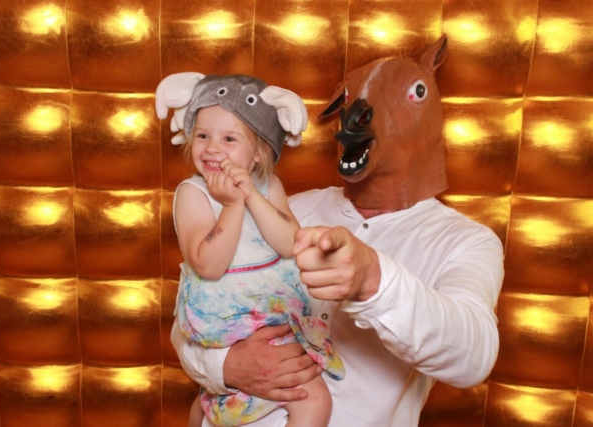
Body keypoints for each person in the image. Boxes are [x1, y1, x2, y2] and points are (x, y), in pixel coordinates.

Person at [170, 35, 505, 427]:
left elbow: (474, 358)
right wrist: (224, 366)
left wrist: (373, 280)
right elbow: (193, 316)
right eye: (350, 102)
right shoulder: (286, 209)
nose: (356, 118)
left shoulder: (466, 242)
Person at [155, 73, 345, 427]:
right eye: (202, 136)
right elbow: (208, 265)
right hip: (224, 320)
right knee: (214, 399)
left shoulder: (269, 184)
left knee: (314, 400)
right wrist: (231, 204)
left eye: (229, 139)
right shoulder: (192, 194)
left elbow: (289, 243)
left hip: (271, 314)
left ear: (257, 153)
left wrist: (252, 195)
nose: (212, 148)